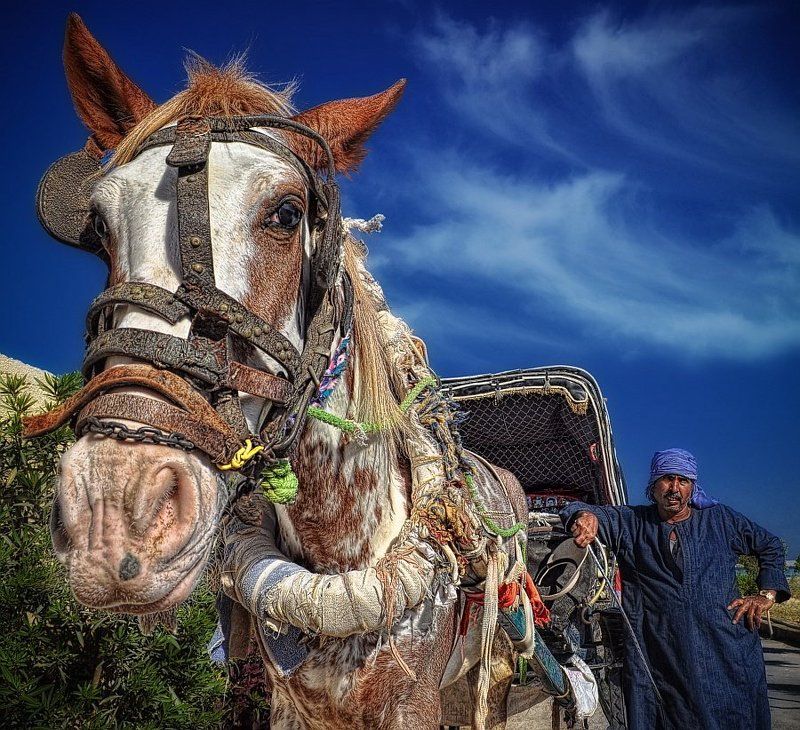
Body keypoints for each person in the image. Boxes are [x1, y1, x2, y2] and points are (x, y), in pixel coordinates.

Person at [560, 448, 790, 730]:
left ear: (692, 487)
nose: (674, 488)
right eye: (667, 479)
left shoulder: (721, 520)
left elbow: (770, 546)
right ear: (653, 486)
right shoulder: (632, 522)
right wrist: (585, 516)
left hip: (724, 648)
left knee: (732, 715)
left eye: (683, 481)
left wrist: (766, 595)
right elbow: (582, 512)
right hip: (660, 651)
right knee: (666, 716)